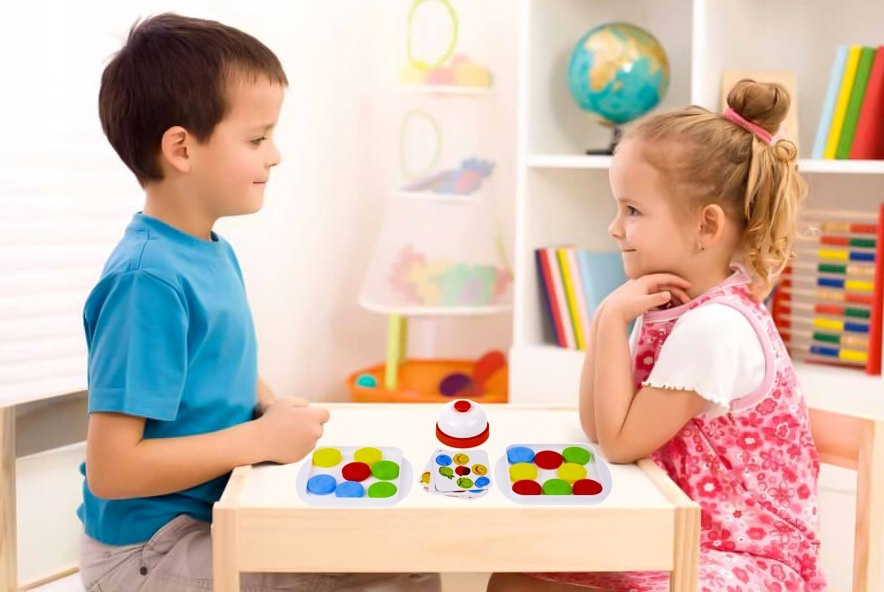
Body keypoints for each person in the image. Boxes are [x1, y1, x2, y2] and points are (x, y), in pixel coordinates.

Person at [77, 13, 439, 592]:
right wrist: (260, 439)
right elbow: (112, 470)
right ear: (182, 149)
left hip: (209, 518)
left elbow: (221, 368)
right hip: (148, 552)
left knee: (406, 555)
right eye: (257, 138)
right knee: (392, 576)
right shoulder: (147, 280)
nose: (275, 155)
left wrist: (270, 407)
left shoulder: (208, 251)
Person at [488, 80, 826, 591]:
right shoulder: (673, 308)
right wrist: (607, 319)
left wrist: (609, 323)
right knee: (517, 577)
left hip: (746, 559)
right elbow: (599, 426)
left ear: (706, 226)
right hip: (684, 539)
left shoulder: (713, 328)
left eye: (633, 210)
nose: (614, 228)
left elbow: (620, 444)